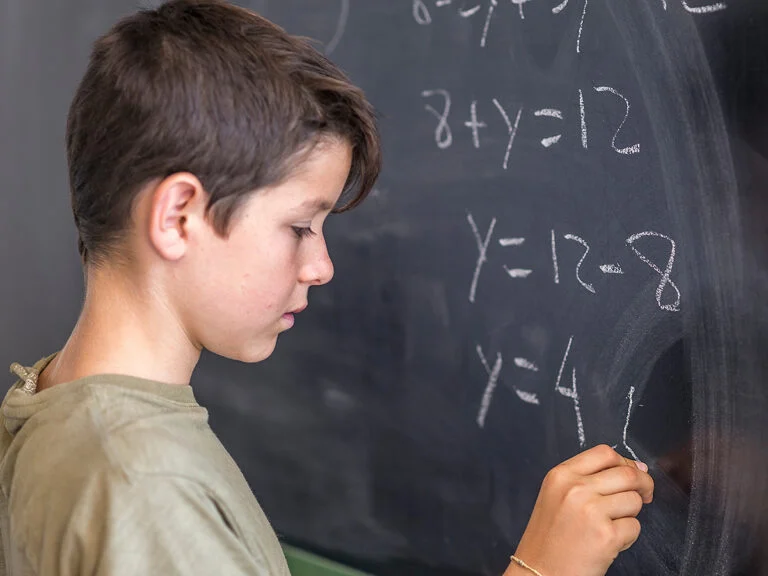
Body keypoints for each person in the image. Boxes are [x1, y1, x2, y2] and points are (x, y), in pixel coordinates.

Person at [0, 1, 654, 575]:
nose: (321, 266)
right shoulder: (142, 486)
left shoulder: (53, 408)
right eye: (299, 226)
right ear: (177, 218)